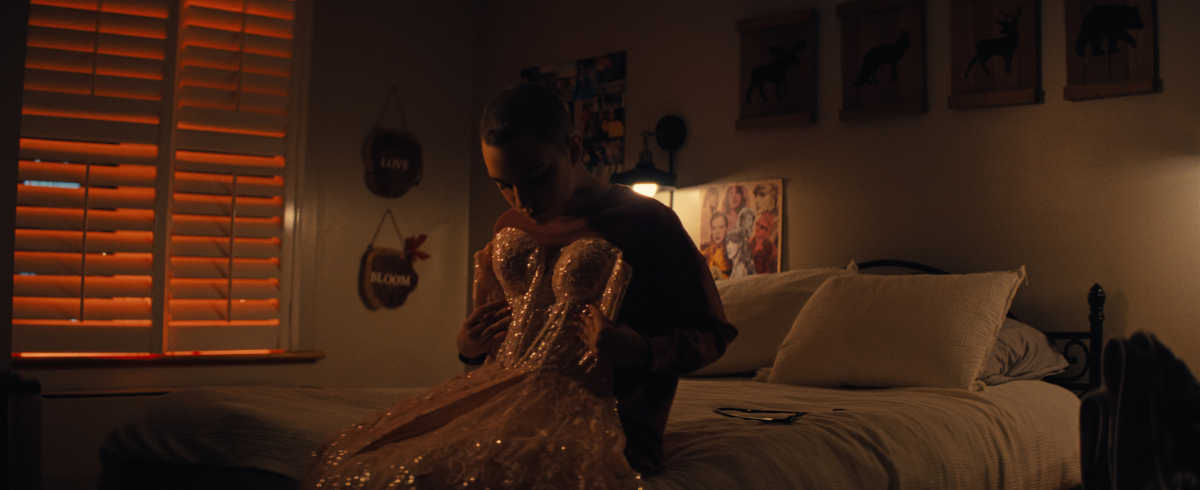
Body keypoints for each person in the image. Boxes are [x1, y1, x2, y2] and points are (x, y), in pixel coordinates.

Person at [303, 84, 736, 489]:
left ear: (573, 148)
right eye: (502, 184)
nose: (520, 199)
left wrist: (642, 350)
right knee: (354, 458)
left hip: (604, 417)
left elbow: (714, 334)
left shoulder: (647, 222)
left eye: (536, 176)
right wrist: (470, 347)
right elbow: (513, 337)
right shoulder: (510, 225)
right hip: (504, 397)